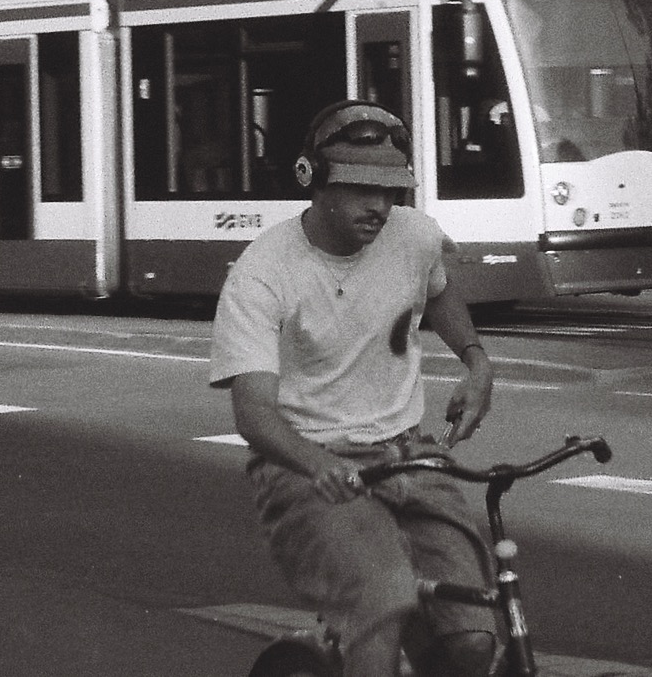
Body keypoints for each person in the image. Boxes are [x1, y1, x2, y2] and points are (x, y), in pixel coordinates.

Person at [209, 100, 496, 677]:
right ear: (313, 181)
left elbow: (438, 289)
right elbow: (254, 414)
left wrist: (475, 361)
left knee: (472, 639)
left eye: (391, 191)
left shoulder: (414, 236)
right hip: (308, 464)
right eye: (363, 189)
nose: (380, 207)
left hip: (408, 453)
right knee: (383, 597)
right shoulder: (263, 272)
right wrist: (318, 464)